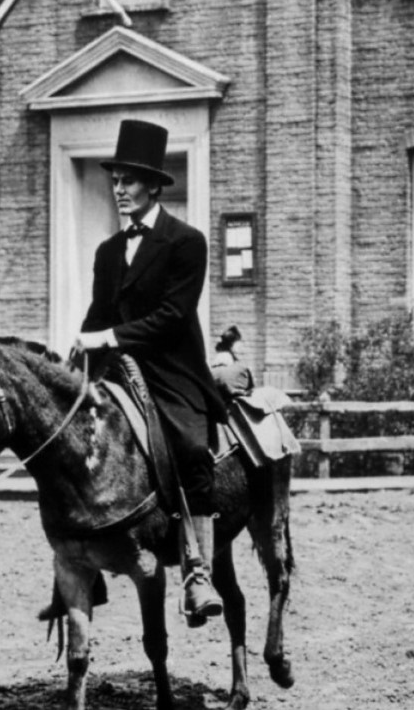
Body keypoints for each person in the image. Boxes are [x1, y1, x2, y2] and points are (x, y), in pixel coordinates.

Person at [73, 118, 227, 625]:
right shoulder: (107, 251)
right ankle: (82, 562)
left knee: (187, 447)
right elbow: (99, 316)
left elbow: (172, 316)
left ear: (155, 185)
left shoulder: (186, 241)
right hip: (120, 370)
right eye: (115, 180)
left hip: (173, 368)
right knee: (78, 441)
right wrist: (78, 352)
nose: (120, 189)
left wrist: (111, 337)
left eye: (130, 180)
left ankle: (196, 570)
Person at [210, 325, 254, 399]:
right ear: (234, 344)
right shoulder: (242, 368)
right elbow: (251, 389)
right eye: (239, 342)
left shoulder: (211, 370)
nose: (241, 346)